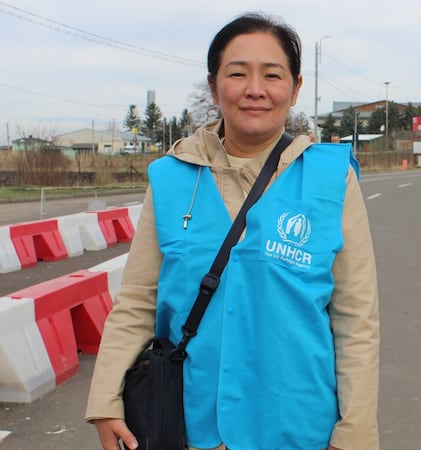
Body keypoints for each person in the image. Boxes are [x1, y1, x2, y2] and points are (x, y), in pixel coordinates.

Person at [85, 12, 380, 450]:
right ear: (213, 86)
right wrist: (105, 399)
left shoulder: (331, 177)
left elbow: (356, 318)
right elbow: (137, 301)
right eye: (237, 73)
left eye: (272, 75)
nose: (254, 89)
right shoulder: (170, 177)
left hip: (300, 426)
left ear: (295, 88)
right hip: (189, 424)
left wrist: (354, 432)